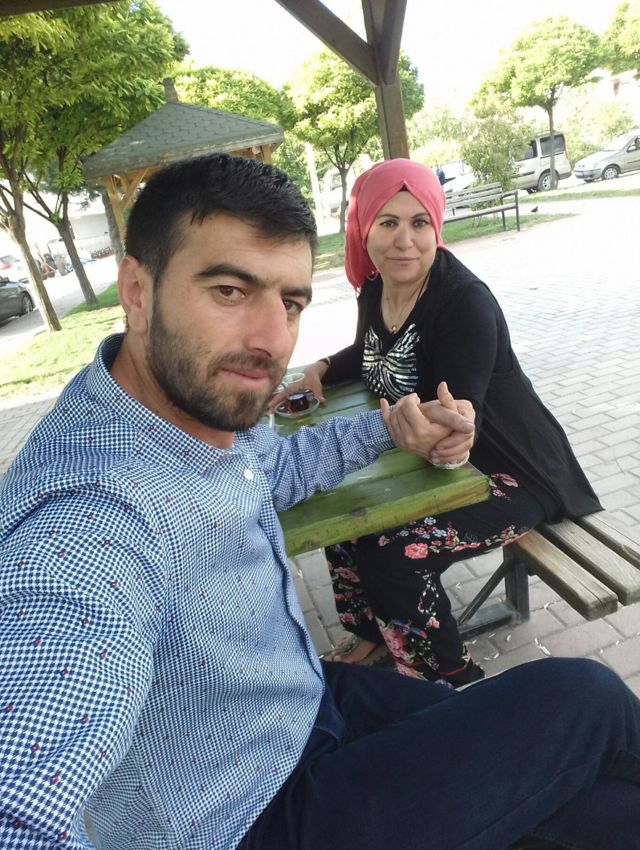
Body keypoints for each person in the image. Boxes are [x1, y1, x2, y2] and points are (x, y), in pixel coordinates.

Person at [1, 153, 639, 850]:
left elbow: (278, 466)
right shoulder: (87, 519)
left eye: (291, 303)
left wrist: (389, 428)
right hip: (245, 814)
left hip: (298, 702)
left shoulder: (199, 412)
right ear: (136, 289)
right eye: (229, 290)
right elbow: (23, 804)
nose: (271, 341)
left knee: (595, 805)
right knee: (586, 702)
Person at [285, 158, 602, 686]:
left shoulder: (462, 303)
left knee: (391, 554)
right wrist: (319, 367)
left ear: (436, 226)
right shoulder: (376, 289)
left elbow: (461, 409)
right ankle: (369, 632)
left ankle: (450, 678)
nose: (404, 240)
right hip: (439, 471)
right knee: (346, 515)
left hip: (513, 474)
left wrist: (452, 435)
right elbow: (370, 350)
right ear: (364, 230)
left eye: (419, 222)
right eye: (387, 222)